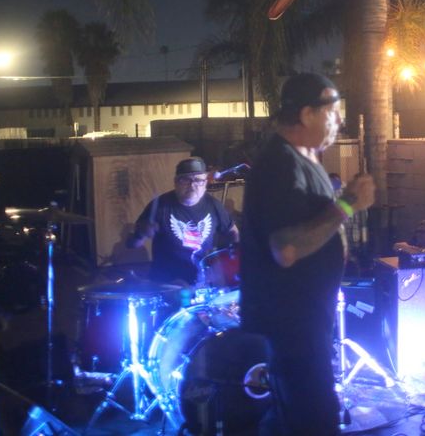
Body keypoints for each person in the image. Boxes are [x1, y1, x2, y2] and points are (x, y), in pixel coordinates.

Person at [240, 73, 375, 436]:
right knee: (314, 422)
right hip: (291, 329)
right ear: (306, 114)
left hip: (306, 323)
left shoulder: (305, 160)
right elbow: (286, 248)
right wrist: (347, 204)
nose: (339, 121)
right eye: (333, 111)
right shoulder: (279, 165)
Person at [127, 156, 239, 285]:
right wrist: (141, 235)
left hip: (202, 283)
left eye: (198, 180)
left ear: (205, 184)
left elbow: (234, 233)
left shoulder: (214, 205)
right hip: (167, 283)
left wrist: (232, 259)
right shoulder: (160, 206)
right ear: (176, 183)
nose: (192, 185)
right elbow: (132, 244)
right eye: (185, 180)